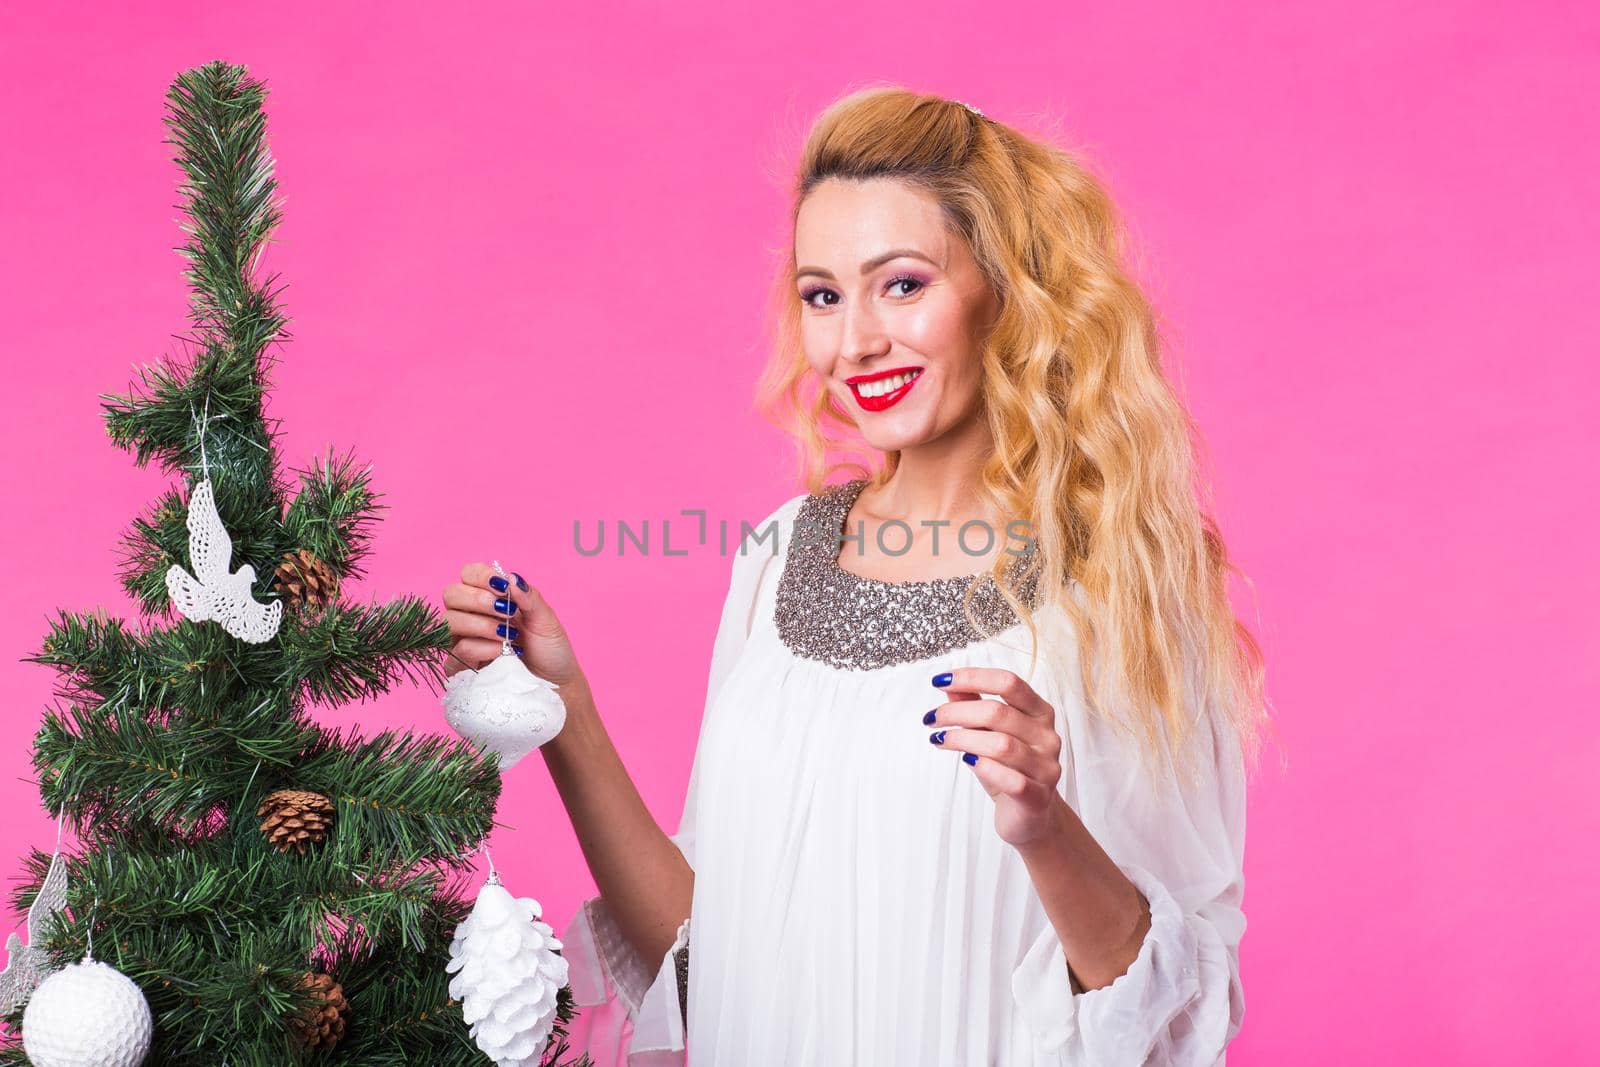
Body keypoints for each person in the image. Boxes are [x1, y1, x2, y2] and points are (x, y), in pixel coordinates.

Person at [442, 86, 1269, 1066]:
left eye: (903, 284)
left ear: (1005, 288)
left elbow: (1171, 1013)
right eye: (823, 294)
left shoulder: (1118, 575)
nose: (854, 341)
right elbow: (709, 958)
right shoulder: (777, 552)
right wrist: (563, 708)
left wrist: (1044, 824)